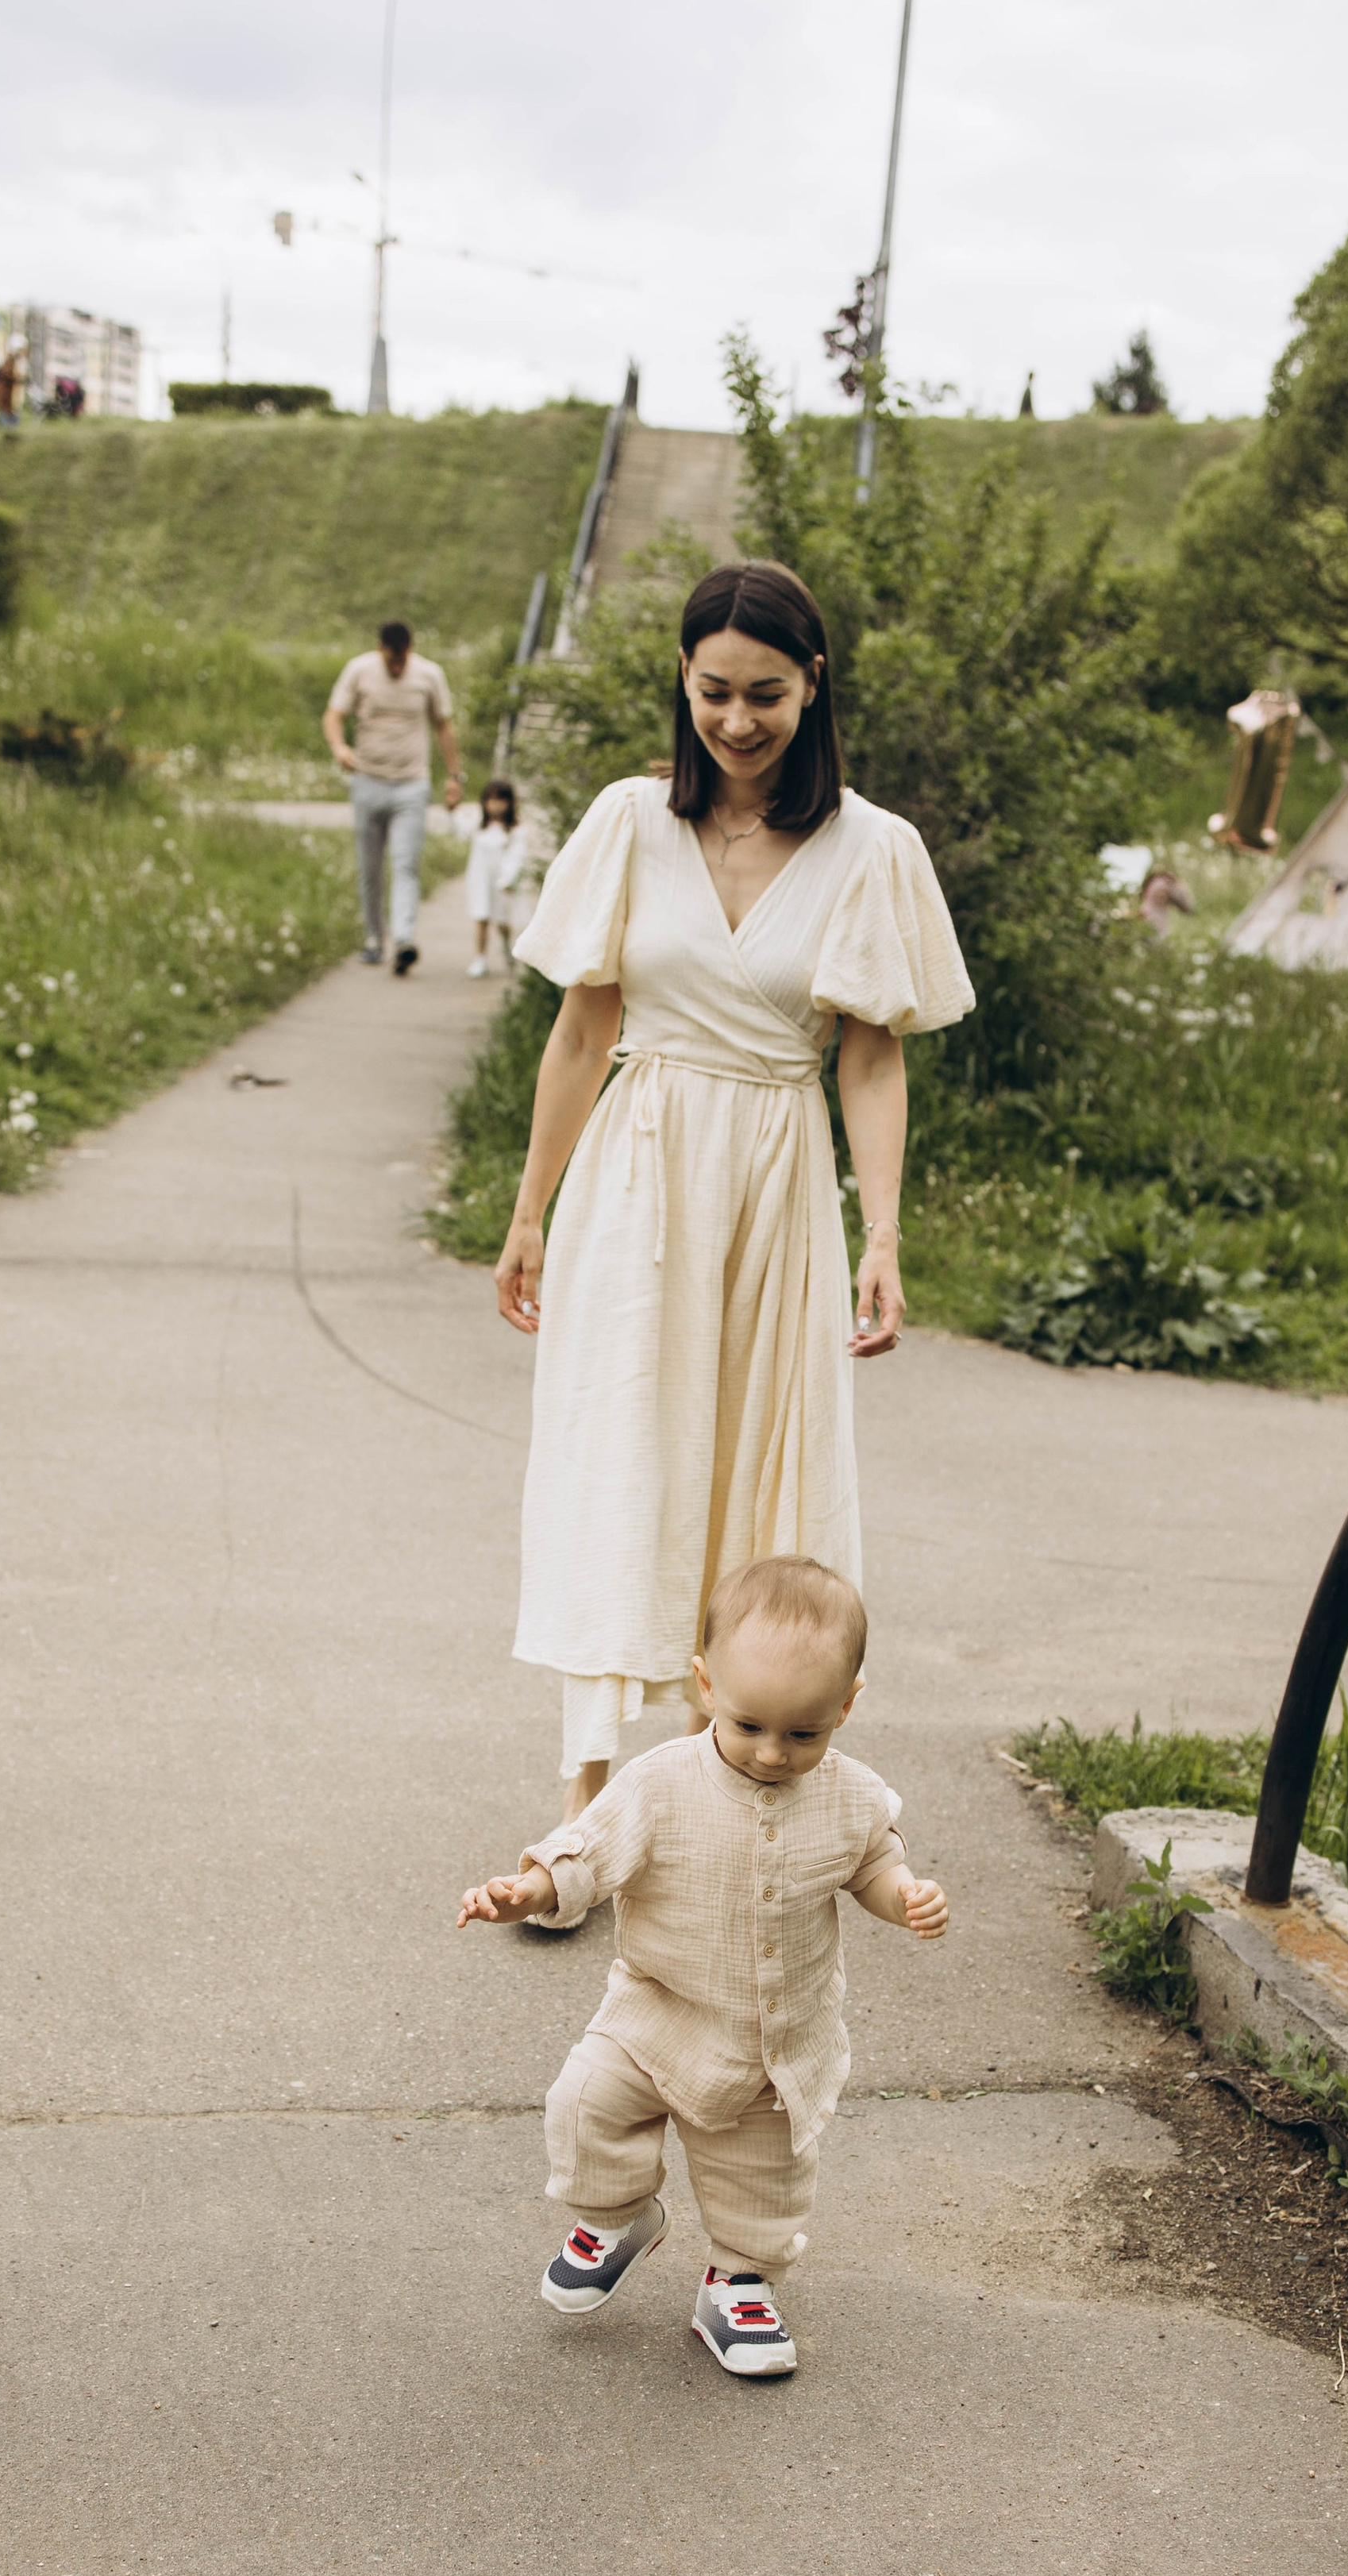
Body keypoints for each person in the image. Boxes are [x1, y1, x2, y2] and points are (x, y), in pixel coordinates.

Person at [496, 558, 972, 1818]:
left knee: (767, 1465)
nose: (738, 721)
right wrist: (529, 1211)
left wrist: (884, 1235)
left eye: (766, 693)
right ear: (685, 682)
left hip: (776, 1172)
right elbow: (580, 1033)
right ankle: (590, 1799)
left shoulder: (874, 849)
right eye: (715, 691)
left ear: (813, 686)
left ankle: (738, 1774)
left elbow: (871, 1055)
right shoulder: (627, 821)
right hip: (637, 1170)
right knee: (622, 1451)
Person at [456, 1556, 948, 2379]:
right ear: (706, 1685)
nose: (769, 1753)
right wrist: (531, 1890)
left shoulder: (852, 1796)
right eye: (749, 1724)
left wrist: (905, 1898)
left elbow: (873, 1865)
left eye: (803, 1733)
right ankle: (616, 2218)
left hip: (771, 2043)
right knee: (583, 2107)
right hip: (654, 2017)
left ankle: (738, 2282)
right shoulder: (659, 1785)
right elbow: (589, 1853)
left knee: (761, 2180)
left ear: (847, 1706)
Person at [323, 619, 462, 972]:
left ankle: (403, 940)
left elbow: (443, 725)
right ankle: (374, 938)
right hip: (368, 780)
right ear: (380, 649)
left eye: (402, 661)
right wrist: (339, 747)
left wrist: (454, 777)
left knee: (406, 863)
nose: (397, 667)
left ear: (410, 650)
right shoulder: (359, 670)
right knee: (370, 866)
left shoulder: (429, 675)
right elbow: (334, 714)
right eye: (391, 661)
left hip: (411, 785)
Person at [464, 776, 526, 980]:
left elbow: (516, 857)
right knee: (481, 918)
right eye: (491, 800)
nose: (495, 805)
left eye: (500, 800)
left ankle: (507, 948)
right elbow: (458, 827)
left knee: (502, 921)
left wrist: (508, 880)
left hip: (501, 884)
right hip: (480, 880)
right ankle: (480, 958)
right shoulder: (479, 827)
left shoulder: (514, 831)